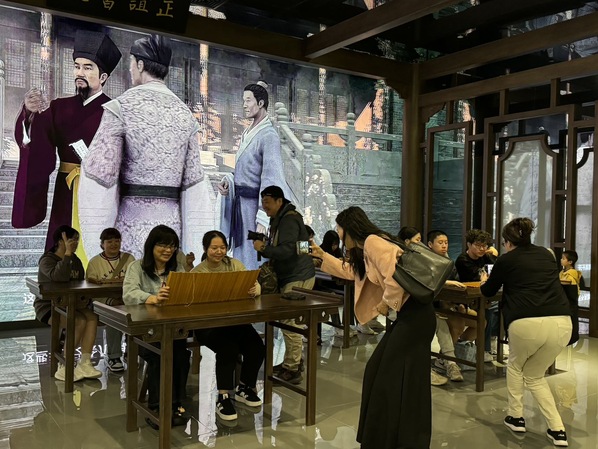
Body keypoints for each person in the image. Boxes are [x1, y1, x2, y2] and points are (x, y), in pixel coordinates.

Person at [78, 34, 212, 260]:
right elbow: (193, 183)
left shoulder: (120, 108)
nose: (130, 69)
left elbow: (99, 177)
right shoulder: (185, 115)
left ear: (140, 65)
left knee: (131, 277)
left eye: (131, 63)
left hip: (131, 224)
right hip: (171, 226)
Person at [311, 206, 434, 449]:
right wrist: (322, 256)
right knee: (384, 374)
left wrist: (385, 304)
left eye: (339, 228)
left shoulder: (373, 242)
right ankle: (388, 437)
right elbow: (352, 272)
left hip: (415, 317)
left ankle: (397, 439)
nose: (338, 233)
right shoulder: (367, 246)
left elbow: (395, 277)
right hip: (410, 317)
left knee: (391, 377)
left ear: (350, 228)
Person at [12, 31, 121, 265]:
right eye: (77, 66)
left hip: (101, 193)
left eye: (88, 68)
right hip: (67, 189)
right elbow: (37, 144)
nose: (80, 73)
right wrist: (29, 114)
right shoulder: (59, 108)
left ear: (103, 76)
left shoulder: (116, 111)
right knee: (62, 252)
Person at [480, 218, 572, 447]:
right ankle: (558, 430)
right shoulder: (547, 255)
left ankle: (516, 417)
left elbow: (488, 291)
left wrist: (484, 280)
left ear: (508, 242)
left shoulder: (506, 259)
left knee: (515, 365)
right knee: (534, 375)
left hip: (526, 322)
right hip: (562, 322)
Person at [191, 230, 264, 421]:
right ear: (205, 249)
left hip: (234, 322)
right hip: (208, 325)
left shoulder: (235, 265)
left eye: (222, 247)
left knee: (257, 346)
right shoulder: (198, 272)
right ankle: (223, 397)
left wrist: (255, 289)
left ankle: (244, 387)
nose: (219, 251)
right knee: (228, 348)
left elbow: (255, 285)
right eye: (214, 248)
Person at [122, 225, 190, 428]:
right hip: (145, 331)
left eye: (172, 246)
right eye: (163, 245)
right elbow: (128, 294)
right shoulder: (137, 267)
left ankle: (176, 404)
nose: (168, 250)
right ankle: (156, 407)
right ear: (151, 246)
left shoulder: (177, 269)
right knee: (160, 356)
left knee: (181, 356)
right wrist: (151, 298)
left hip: (171, 329)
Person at [218, 82, 288, 270]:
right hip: (241, 207)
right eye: (244, 101)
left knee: (254, 258)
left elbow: (271, 178)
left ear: (261, 103)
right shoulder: (248, 132)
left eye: (248, 100)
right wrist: (230, 180)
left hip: (255, 209)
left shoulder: (268, 136)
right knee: (241, 257)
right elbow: (247, 169)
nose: (244, 105)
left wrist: (263, 218)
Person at [252, 185, 315, 384]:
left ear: (279, 201)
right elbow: (302, 246)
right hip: (295, 273)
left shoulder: (288, 219)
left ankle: (292, 369)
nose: (265, 206)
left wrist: (264, 248)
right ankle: (293, 361)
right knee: (289, 321)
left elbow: (287, 251)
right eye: (263, 202)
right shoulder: (286, 218)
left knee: (290, 322)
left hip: (297, 276)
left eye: (267, 202)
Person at [37, 225, 102, 382]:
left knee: (92, 318)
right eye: (72, 240)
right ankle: (65, 364)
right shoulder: (47, 260)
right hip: (49, 307)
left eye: (77, 240)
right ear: (60, 241)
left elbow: (79, 284)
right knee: (78, 321)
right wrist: (66, 254)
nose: (75, 243)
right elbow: (58, 277)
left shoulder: (76, 260)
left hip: (73, 304)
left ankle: (85, 363)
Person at [86, 228, 135, 372]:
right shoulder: (94, 262)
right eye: (109, 241)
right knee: (114, 315)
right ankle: (114, 356)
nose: (114, 244)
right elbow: (91, 290)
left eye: (117, 241)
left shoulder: (129, 259)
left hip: (128, 300)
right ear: (102, 244)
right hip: (104, 302)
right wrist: (110, 301)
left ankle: (132, 351)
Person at [427, 230, 465, 383]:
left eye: (446, 243)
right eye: (440, 243)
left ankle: (447, 359)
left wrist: (458, 304)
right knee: (443, 325)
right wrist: (447, 282)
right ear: (430, 244)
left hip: (445, 306)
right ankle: (450, 362)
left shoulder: (449, 262)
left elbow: (458, 283)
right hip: (429, 307)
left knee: (476, 321)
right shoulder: (425, 261)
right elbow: (428, 282)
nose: (444, 246)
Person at [455, 228, 499, 360]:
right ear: (469, 244)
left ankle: (487, 345)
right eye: (478, 245)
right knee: (489, 309)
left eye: (484, 246)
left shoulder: (485, 256)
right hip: (467, 298)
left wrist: (494, 255)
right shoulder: (463, 260)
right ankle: (484, 348)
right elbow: (478, 280)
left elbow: (496, 271)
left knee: (499, 307)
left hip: (482, 296)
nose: (482, 249)